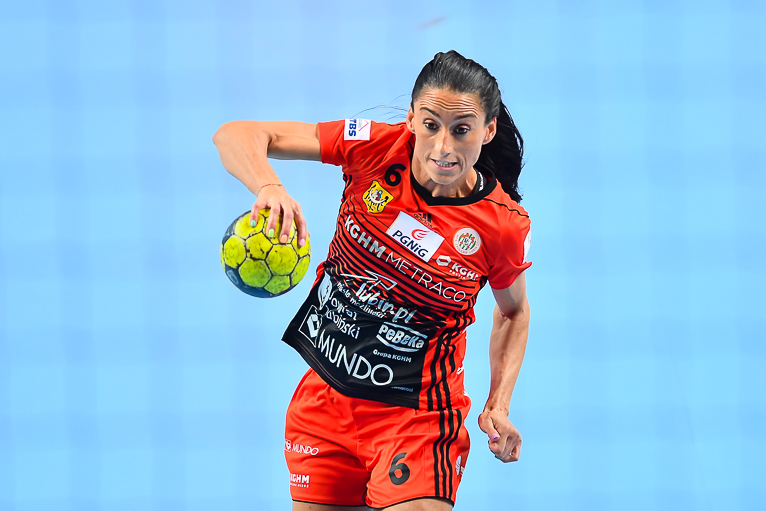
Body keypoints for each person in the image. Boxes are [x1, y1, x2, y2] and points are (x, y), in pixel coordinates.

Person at [213, 50, 532, 511]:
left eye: (461, 129)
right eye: (430, 125)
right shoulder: (374, 147)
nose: (443, 146)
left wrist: (498, 403)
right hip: (325, 402)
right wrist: (269, 185)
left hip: (418, 419)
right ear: (411, 118)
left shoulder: (501, 225)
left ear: (488, 131)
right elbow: (235, 134)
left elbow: (514, 311)